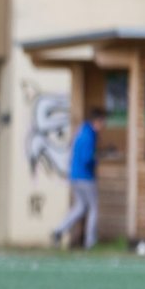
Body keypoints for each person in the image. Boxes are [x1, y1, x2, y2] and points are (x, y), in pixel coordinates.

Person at [51, 107, 107, 249]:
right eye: (103, 122)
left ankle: (59, 230)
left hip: (74, 175)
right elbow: (87, 158)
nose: (104, 126)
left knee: (81, 207)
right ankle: (90, 241)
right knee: (93, 207)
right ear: (97, 121)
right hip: (85, 177)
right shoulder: (89, 135)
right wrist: (99, 158)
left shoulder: (82, 131)